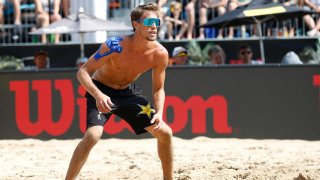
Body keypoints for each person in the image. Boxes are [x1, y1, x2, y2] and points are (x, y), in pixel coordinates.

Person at [65, 2, 173, 180]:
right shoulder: (115, 45)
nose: (154, 27)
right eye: (148, 22)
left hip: (126, 92)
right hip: (101, 89)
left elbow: (159, 88)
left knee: (165, 133)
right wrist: (98, 95)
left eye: (157, 22)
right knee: (93, 135)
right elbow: (82, 72)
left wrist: (160, 112)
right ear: (135, 24)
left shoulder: (160, 53)